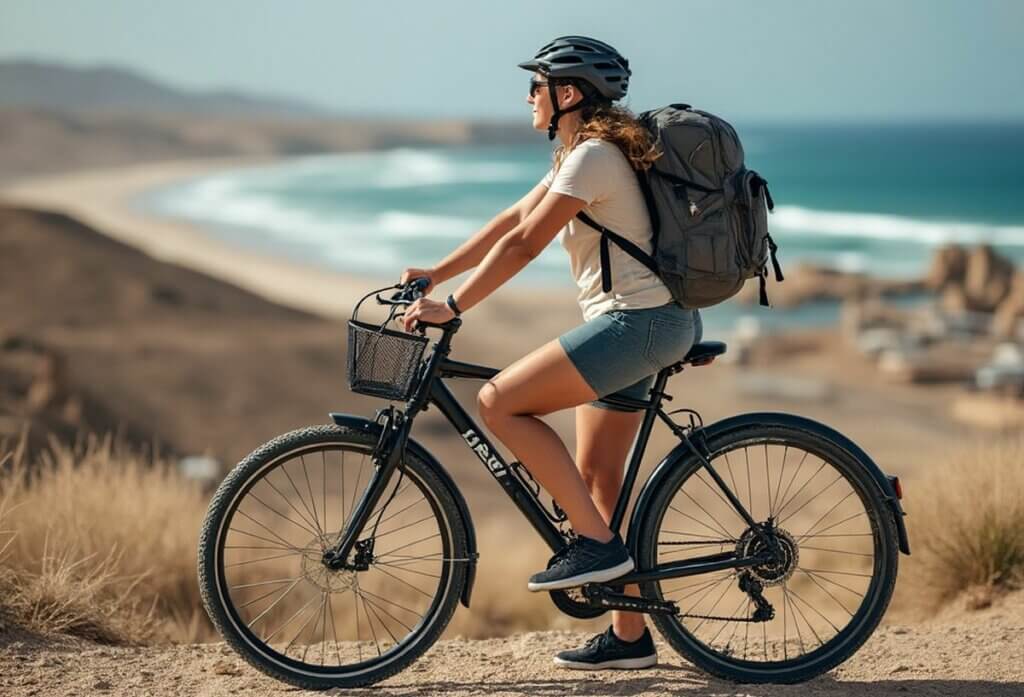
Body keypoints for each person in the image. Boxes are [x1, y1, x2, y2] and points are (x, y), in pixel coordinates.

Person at [400, 36, 701, 670]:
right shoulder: (578, 153)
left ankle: (594, 548)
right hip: (649, 322)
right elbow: (509, 223)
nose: (527, 96)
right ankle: (630, 637)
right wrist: (436, 272)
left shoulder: (592, 157)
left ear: (568, 94)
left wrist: (454, 307)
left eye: (536, 86)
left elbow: (525, 247)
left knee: (499, 402)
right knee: (597, 482)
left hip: (638, 326)